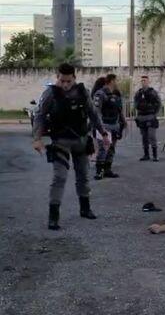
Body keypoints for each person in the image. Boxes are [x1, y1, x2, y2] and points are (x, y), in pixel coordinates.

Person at [32, 63, 110, 230]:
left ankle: (85, 208)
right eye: (62, 81)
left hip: (81, 140)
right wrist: (37, 138)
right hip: (60, 141)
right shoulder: (50, 93)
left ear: (74, 78)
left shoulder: (83, 92)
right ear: (57, 78)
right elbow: (39, 116)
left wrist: (103, 133)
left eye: (68, 81)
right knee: (59, 177)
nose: (65, 85)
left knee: (83, 175)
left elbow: (93, 114)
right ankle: (54, 216)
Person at [93, 74, 126, 180]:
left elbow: (119, 110)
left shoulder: (115, 95)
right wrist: (100, 127)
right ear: (111, 81)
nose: (117, 83)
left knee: (111, 149)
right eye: (116, 80)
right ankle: (99, 171)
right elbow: (96, 111)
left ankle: (108, 169)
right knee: (103, 148)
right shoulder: (100, 94)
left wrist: (123, 121)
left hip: (114, 125)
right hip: (104, 126)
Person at [134, 75, 161, 161]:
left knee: (152, 136)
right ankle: (146, 155)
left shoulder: (152, 92)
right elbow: (135, 103)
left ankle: (155, 155)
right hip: (142, 116)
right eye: (142, 81)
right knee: (144, 137)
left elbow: (158, 103)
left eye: (145, 80)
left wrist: (154, 113)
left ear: (148, 82)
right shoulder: (138, 93)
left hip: (150, 116)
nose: (143, 82)